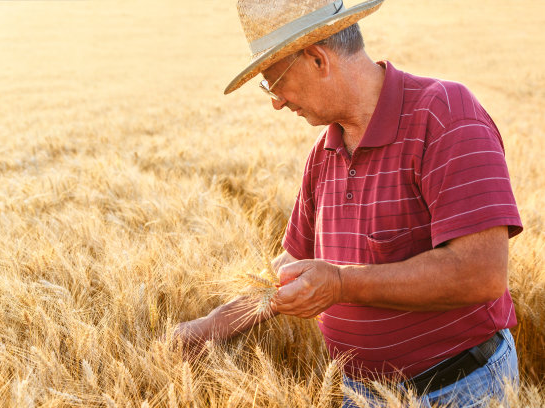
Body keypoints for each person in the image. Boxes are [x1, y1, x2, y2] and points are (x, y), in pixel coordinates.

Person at [175, 0, 523, 406]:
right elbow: (291, 266)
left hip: (462, 389)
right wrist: (212, 325)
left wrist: (340, 284)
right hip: (361, 395)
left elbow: (480, 274)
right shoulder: (323, 154)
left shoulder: (445, 115)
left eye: (274, 82)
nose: (276, 102)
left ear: (317, 59)